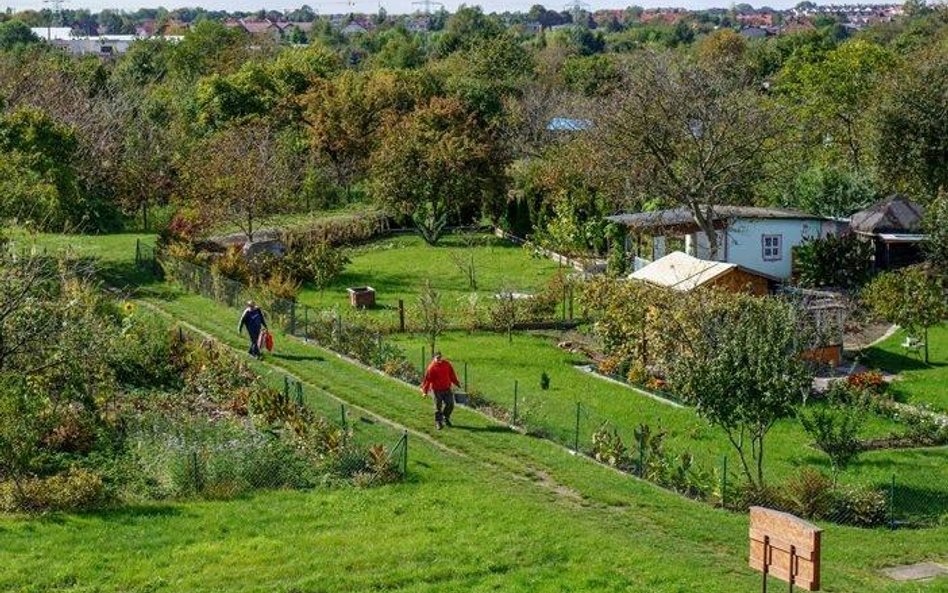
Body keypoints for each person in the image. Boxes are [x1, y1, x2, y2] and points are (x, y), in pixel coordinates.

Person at [420, 351, 461, 430]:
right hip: (436, 390)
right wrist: (425, 391)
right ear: (434, 358)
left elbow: (451, 374)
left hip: (447, 388)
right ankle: (438, 422)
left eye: (440, 357)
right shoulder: (431, 367)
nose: (439, 359)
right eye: (437, 357)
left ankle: (446, 417)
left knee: (450, 404)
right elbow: (428, 380)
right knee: (438, 407)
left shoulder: (447, 364)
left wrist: (456, 383)